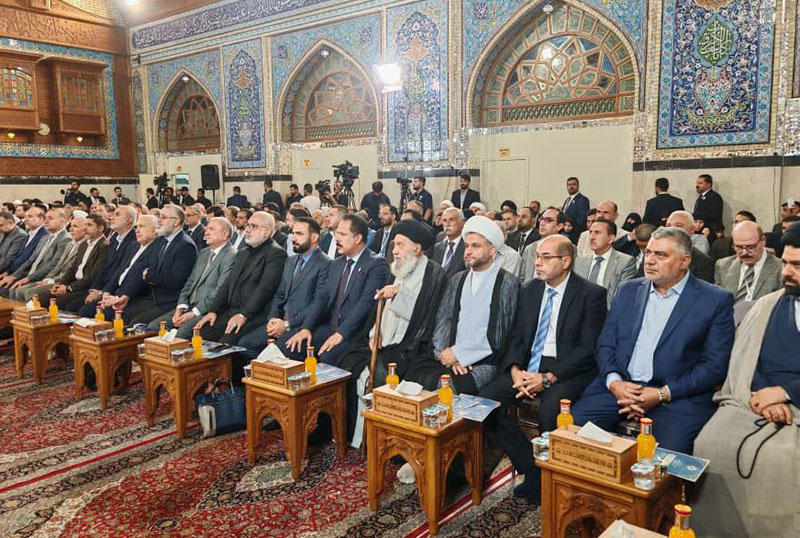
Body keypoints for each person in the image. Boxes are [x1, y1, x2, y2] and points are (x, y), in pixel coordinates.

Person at [572, 227, 735, 454]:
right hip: (620, 389)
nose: (649, 260)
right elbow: (606, 344)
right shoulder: (627, 290)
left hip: (676, 397)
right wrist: (615, 383)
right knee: (572, 434)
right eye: (648, 253)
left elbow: (714, 366)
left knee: (666, 459)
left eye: (661, 255)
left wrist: (662, 394)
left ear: (684, 261)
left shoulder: (714, 300)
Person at [480, 234, 607, 505]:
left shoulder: (591, 294)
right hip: (529, 365)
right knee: (485, 403)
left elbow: (587, 349)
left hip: (566, 369)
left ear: (566, 261)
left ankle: (549, 478)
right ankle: (530, 464)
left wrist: (548, 378)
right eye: (537, 257)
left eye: (546, 258)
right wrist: (515, 370)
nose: (537, 263)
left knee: (551, 412)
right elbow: (516, 336)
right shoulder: (530, 290)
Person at [692, 224, 800, 537]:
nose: (787, 273)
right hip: (755, 397)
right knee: (710, 441)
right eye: (786, 263)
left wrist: (786, 393)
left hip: (791, 400)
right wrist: (763, 395)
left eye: (797, 265)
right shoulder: (769, 305)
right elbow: (748, 358)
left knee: (783, 457)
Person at [340, 219, 446, 439]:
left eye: (400, 245)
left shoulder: (434, 274)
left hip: (411, 347)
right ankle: (353, 435)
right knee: (348, 362)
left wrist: (399, 293)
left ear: (417, 248)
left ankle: (378, 438)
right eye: (394, 245)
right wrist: (374, 334)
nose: (395, 251)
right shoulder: (396, 269)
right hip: (382, 341)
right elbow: (379, 311)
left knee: (379, 375)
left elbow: (425, 317)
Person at [408, 215, 518, 394]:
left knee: (448, 388)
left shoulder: (506, 282)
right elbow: (443, 320)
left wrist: (461, 355)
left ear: (492, 250)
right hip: (448, 355)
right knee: (414, 376)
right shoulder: (457, 279)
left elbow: (498, 334)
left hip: (483, 361)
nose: (468, 251)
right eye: (466, 246)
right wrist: (446, 355)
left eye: (476, 246)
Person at [284, 214, 388, 366]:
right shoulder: (336, 264)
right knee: (290, 347)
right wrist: (306, 328)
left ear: (358, 238)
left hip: (353, 333)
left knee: (327, 357)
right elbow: (322, 298)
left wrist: (341, 334)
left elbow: (365, 305)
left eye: (342, 234)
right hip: (329, 327)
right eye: (337, 233)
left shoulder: (376, 264)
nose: (337, 238)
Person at [239, 217, 331, 354]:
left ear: (314, 237)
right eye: (293, 233)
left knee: (274, 353)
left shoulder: (326, 264)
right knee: (246, 344)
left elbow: (318, 304)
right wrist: (273, 318)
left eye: (299, 234)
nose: (293, 238)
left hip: (301, 325)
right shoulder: (291, 261)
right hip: (280, 321)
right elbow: (280, 294)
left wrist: (287, 324)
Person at [195, 211, 287, 348]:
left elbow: (265, 289)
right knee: (203, 333)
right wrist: (213, 310)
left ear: (267, 232)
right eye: (248, 225)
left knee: (226, 343)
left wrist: (243, 315)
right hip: (231, 311)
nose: (247, 230)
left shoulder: (276, 254)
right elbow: (227, 284)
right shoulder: (243, 252)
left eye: (253, 226)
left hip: (254, 314)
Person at [148, 217, 237, 338]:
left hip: (207, 310)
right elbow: (190, 282)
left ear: (225, 234)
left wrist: (194, 313)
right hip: (189, 306)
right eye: (207, 228)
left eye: (211, 229)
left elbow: (220, 290)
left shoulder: (231, 255)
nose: (206, 232)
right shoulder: (204, 252)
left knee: (181, 335)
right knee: (153, 327)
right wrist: (181, 307)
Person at [78, 215, 162, 320]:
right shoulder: (133, 246)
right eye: (136, 227)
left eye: (142, 226)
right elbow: (119, 271)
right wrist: (106, 292)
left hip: (133, 297)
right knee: (84, 311)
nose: (137, 230)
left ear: (155, 230)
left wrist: (118, 298)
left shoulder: (157, 249)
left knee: (106, 316)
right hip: (116, 292)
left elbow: (140, 280)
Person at [62, 206, 138, 312]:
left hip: (116, 290)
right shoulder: (114, 239)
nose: (112, 217)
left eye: (117, 214)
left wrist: (103, 292)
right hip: (103, 287)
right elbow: (103, 268)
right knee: (71, 305)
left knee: (79, 309)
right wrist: (94, 290)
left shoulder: (134, 241)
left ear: (129, 219)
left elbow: (120, 271)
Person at [10, 213, 86, 302]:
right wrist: (48, 278)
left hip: (66, 282)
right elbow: (58, 265)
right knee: (15, 290)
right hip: (52, 277)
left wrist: (51, 281)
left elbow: (59, 266)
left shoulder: (74, 242)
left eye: (75, 226)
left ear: (85, 230)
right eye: (71, 226)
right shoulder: (70, 244)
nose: (70, 229)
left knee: (29, 292)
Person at [0, 208, 70, 298]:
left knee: (17, 290)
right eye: (46, 218)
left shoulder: (64, 239)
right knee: (13, 290)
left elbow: (53, 264)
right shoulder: (45, 238)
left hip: (44, 276)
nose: (46, 221)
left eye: (50, 218)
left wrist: (27, 278)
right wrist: (12, 275)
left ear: (62, 221)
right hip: (30, 274)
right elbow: (30, 260)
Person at [47, 215, 110, 309]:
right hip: (75, 283)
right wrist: (60, 284)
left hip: (87, 287)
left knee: (60, 303)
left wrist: (68, 288)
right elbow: (73, 268)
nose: (85, 228)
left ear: (100, 228)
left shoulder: (104, 245)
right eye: (85, 225)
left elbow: (94, 275)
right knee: (44, 298)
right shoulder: (83, 244)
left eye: (89, 225)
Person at [714, 221, 782, 305]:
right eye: (739, 247)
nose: (744, 252)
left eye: (751, 247)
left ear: (763, 241)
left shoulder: (781, 269)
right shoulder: (723, 265)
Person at [574, 219, 636, 308]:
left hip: (608, 312)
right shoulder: (580, 261)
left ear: (611, 238)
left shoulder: (625, 262)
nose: (591, 237)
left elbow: (624, 296)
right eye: (590, 232)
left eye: (597, 233)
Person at [519, 207, 566, 283]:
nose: (542, 223)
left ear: (559, 226)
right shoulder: (530, 249)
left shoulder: (568, 249)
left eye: (548, 220)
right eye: (541, 219)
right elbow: (522, 278)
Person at [666, 211, 714, 282]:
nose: (671, 230)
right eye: (668, 226)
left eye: (678, 226)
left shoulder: (703, 262)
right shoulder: (653, 253)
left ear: (692, 230)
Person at [432, 207, 466, 278]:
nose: (447, 224)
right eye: (444, 220)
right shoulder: (437, 247)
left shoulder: (467, 246)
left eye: (452, 220)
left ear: (462, 222)